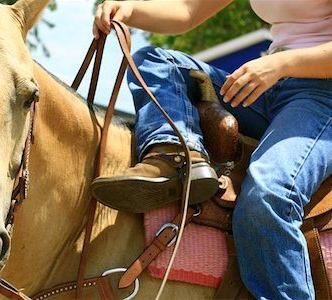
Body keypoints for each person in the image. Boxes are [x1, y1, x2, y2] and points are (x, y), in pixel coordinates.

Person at [90, 0, 332, 299]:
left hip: (322, 95)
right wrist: (128, 9)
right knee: (155, 61)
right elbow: (187, 11)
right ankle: (176, 155)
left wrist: (281, 64)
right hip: (274, 86)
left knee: (269, 195)